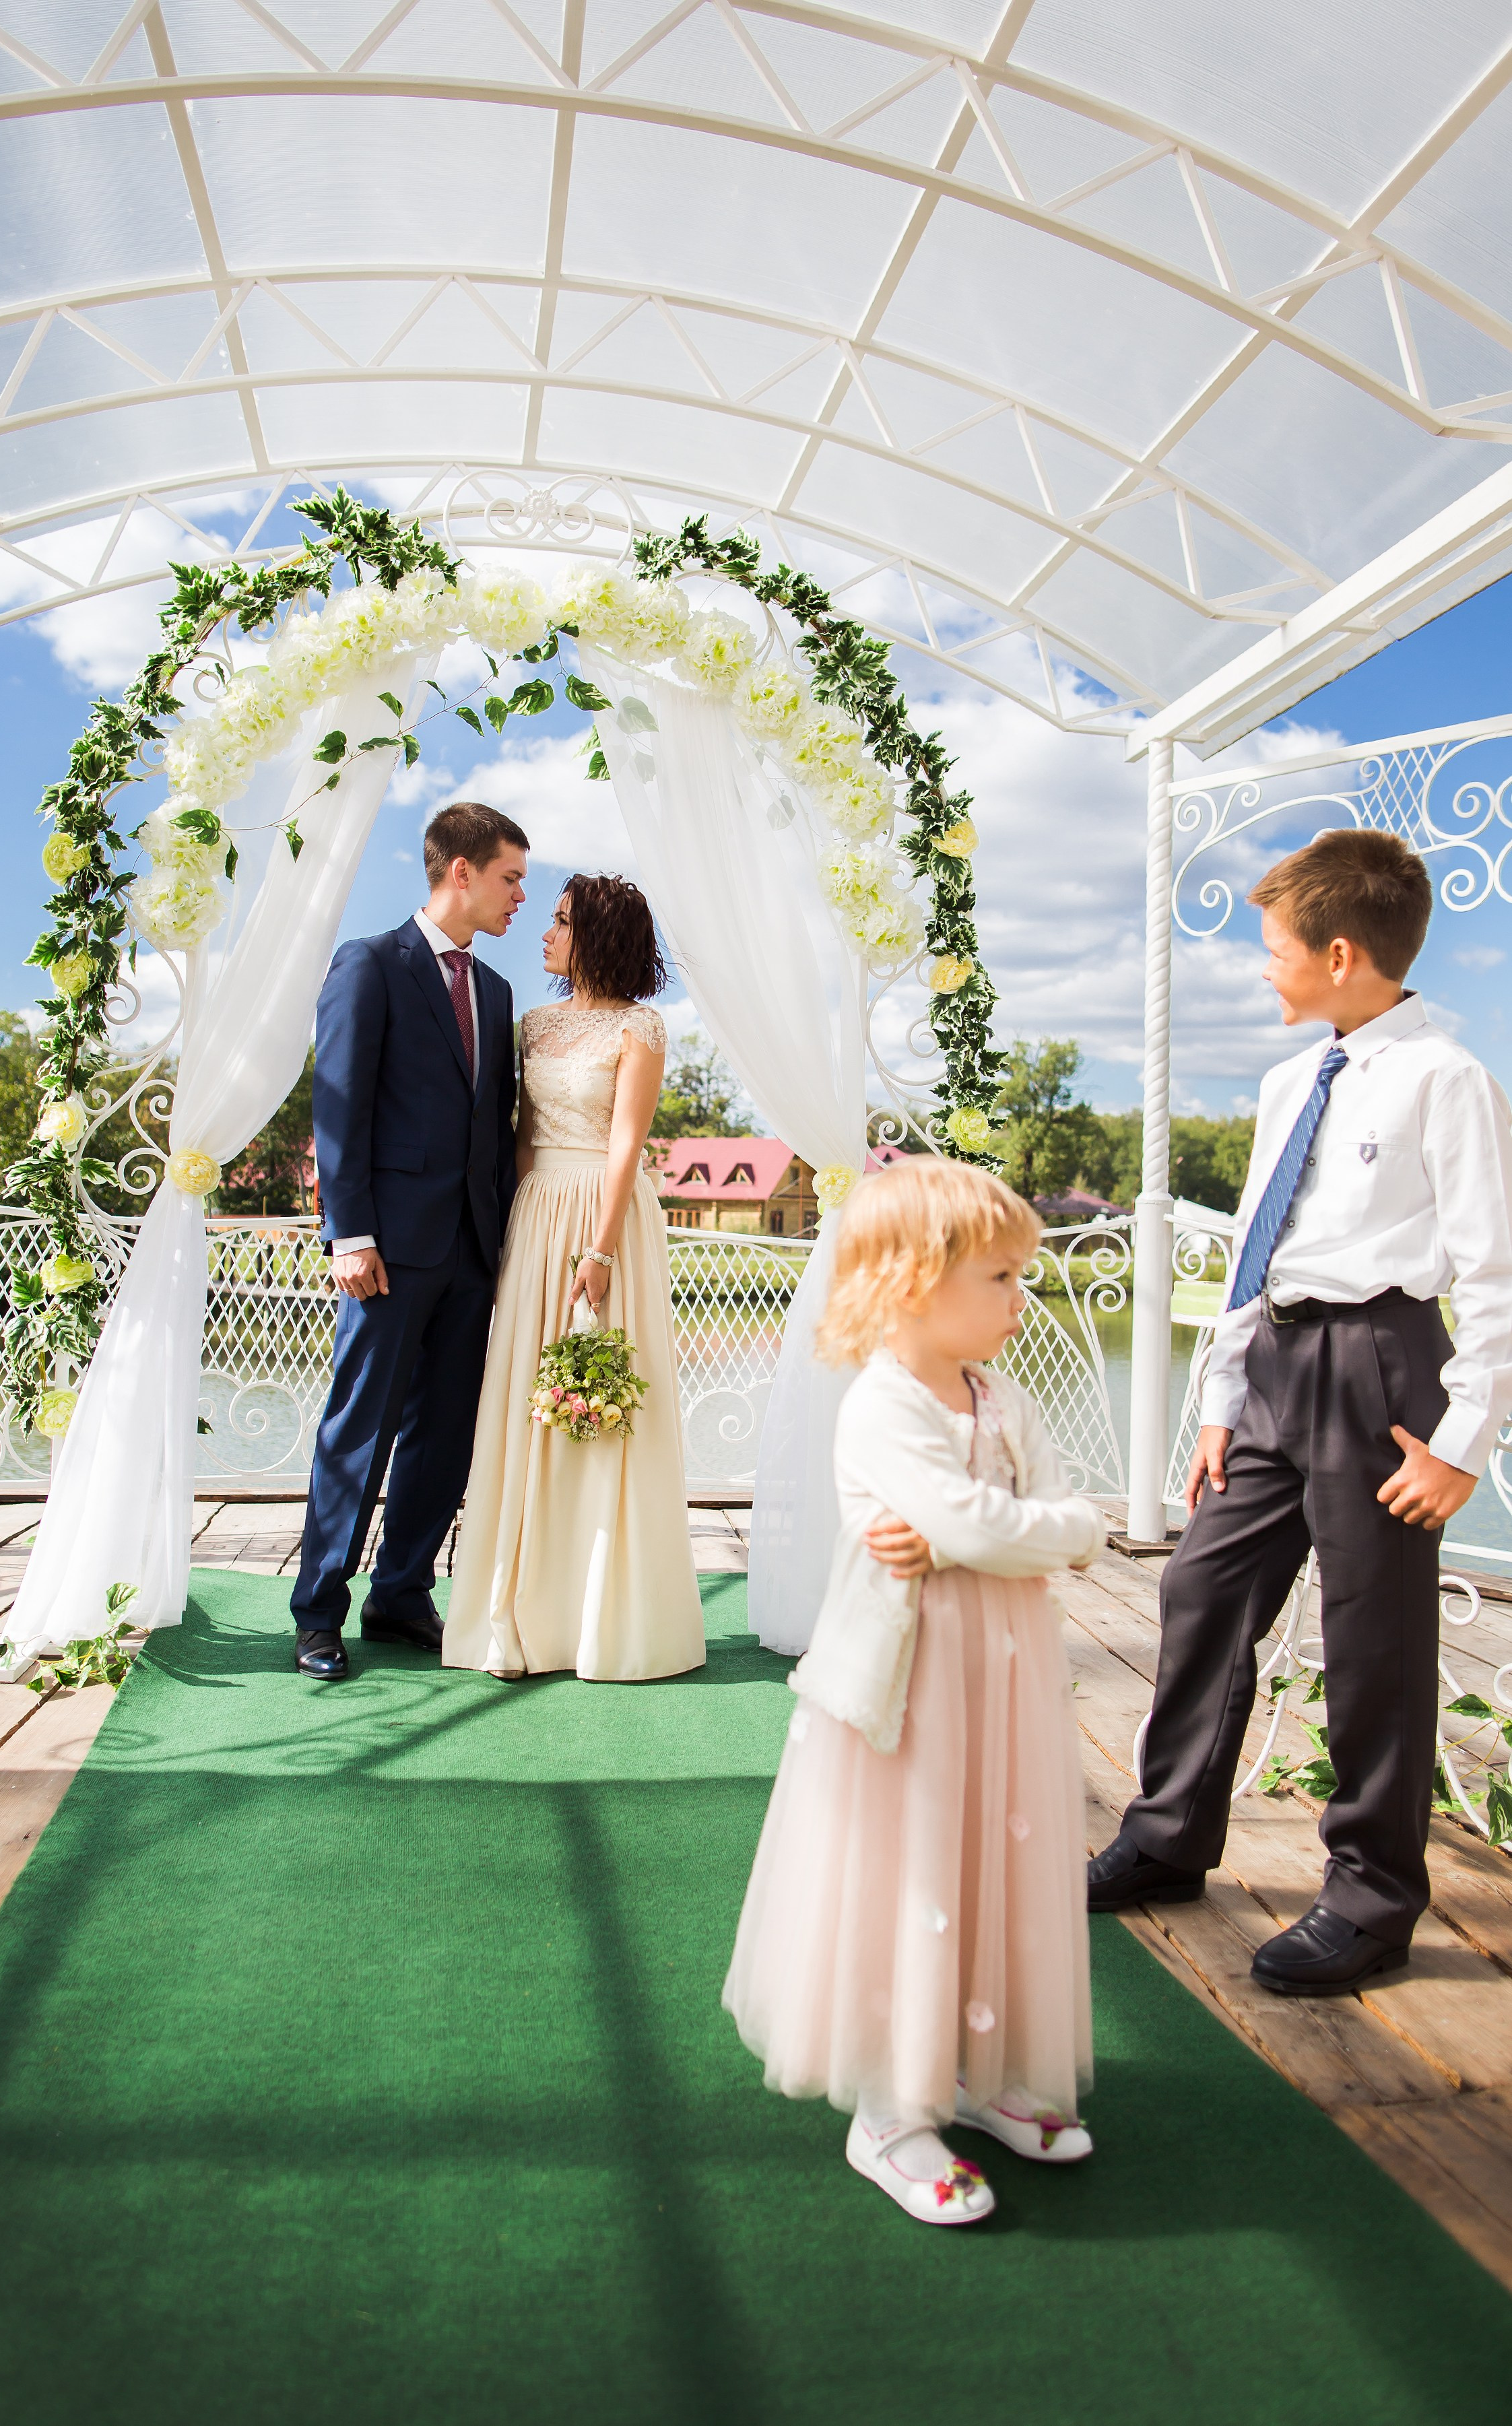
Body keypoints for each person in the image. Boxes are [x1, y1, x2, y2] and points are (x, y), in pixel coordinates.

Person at [1090, 830, 1512, 1994]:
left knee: (1372, 1635)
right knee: (1199, 1583)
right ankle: (1167, 1837)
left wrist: (1461, 1443)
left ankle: (1372, 1897)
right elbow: (1250, 1254)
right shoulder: (1289, 1081)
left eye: (1272, 951)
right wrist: (1220, 1400)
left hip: (1382, 1368)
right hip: (1273, 1364)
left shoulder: (1449, 1081)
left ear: (1338, 952)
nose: (1260, 971)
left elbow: (1493, 1277)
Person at [723, 1160, 1107, 2227]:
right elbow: (996, 1524)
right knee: (919, 1865)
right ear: (910, 1282)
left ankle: (983, 2072)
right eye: (998, 1275)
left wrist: (1037, 1530)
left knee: (997, 1855)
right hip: (912, 1682)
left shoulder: (1005, 1396)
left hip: (1006, 1672)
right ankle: (892, 2109)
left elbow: (1036, 1506)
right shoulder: (881, 1406)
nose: (1018, 1297)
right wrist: (1061, 1535)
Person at [442, 874, 704, 1681]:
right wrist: (512, 1233)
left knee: (604, 1400)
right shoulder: (534, 1023)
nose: (544, 934)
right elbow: (520, 1137)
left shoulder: (641, 1027)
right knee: (527, 1399)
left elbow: (626, 1144)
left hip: (605, 1213)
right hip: (536, 1210)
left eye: (559, 922)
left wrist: (598, 1250)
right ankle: (522, 1612)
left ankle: (606, 1616)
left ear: (596, 934)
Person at [288, 803, 529, 1681]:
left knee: (444, 1437)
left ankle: (401, 1593)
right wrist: (346, 1231)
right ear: (458, 871)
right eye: (510, 877)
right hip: (385, 1248)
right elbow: (340, 1104)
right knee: (361, 1428)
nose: (521, 897)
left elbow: (494, 1128)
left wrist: (502, 1245)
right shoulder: (369, 964)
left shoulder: (498, 993)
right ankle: (318, 1609)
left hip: (471, 1250)